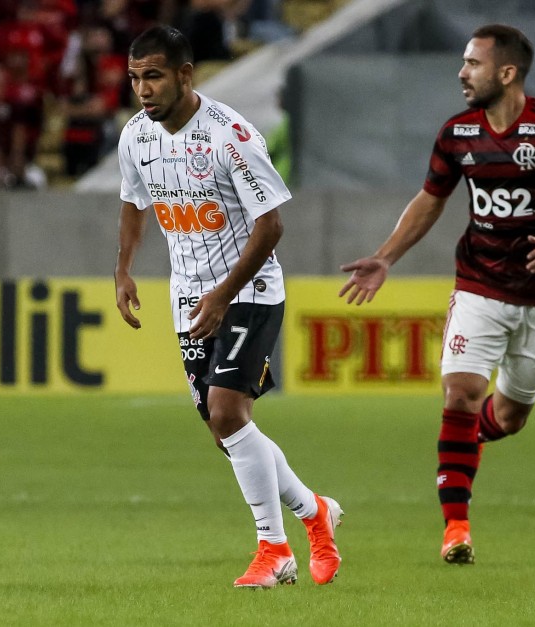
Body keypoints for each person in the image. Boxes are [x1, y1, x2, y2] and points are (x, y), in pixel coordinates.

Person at [338, 24, 535, 565]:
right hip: (479, 284)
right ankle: (456, 528)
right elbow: (429, 200)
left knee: (510, 417)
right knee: (461, 393)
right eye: (464, 62)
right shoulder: (457, 135)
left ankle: (467, 442)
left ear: (506, 72)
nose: (462, 73)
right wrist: (386, 256)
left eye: (473, 63)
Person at [114, 25, 342, 588]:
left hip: (250, 292)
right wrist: (122, 269)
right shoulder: (136, 136)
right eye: (136, 77)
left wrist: (223, 293)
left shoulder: (230, 136)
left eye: (155, 76)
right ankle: (315, 512)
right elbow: (132, 201)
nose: (143, 89)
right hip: (187, 298)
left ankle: (273, 551)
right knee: (226, 431)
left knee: (225, 411)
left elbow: (271, 225)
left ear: (185, 75)